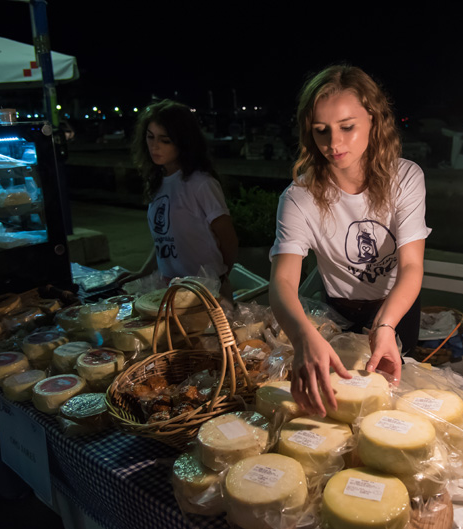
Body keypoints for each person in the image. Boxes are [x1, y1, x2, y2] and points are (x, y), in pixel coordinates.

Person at [269, 65, 430, 416]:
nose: (334, 143)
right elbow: (282, 280)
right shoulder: (299, 197)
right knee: (340, 407)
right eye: (321, 131)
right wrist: (302, 336)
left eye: (347, 127)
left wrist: (385, 325)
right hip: (337, 311)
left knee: (392, 407)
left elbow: (412, 265)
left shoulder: (405, 177)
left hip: (397, 307)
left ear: (373, 119)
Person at [129, 100, 238, 301]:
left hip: (205, 294)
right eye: (150, 137)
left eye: (165, 140)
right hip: (170, 290)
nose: (155, 146)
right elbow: (166, 238)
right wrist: (143, 272)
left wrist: (218, 279)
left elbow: (228, 239)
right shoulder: (158, 183)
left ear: (183, 141)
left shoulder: (200, 183)